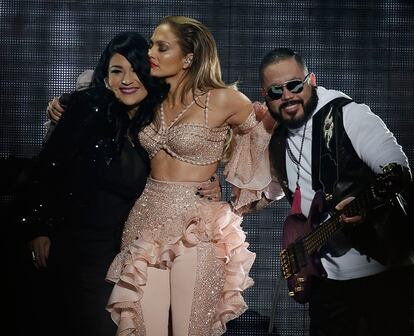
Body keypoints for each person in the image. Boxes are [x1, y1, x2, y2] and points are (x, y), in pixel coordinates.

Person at [46, 16, 282, 335]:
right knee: (144, 328)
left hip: (196, 225)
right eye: (151, 45)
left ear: (188, 57)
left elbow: (261, 143)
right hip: (144, 222)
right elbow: (103, 93)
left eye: (161, 46)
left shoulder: (223, 99)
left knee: (190, 329)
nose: (151, 53)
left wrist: (230, 190)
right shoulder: (147, 98)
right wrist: (63, 105)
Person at [251, 47, 413, 336]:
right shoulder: (278, 138)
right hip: (326, 283)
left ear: (311, 80)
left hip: (381, 275)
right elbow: (276, 190)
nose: (287, 96)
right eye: (276, 91)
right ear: (266, 96)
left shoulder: (347, 115)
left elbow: (398, 169)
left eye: (294, 85)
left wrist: (365, 205)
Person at [16, 31, 167, 336]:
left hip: (124, 252)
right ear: (104, 75)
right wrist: (39, 228)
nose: (127, 79)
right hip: (75, 245)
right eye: (116, 71)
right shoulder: (91, 106)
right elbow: (49, 167)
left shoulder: (156, 122)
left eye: (136, 70)